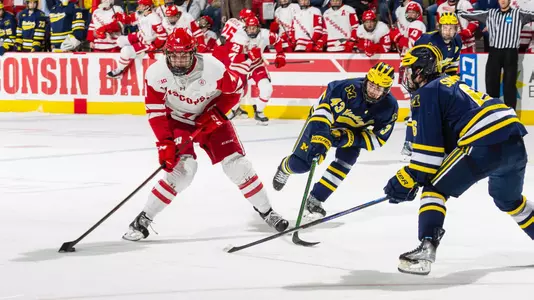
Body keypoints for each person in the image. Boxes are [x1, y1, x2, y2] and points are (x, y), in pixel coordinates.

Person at [123, 29, 289, 241]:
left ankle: (267, 211)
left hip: (210, 116)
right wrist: (164, 144)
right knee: (183, 171)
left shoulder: (213, 68)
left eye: (184, 55)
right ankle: (143, 218)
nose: (179, 61)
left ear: (194, 53)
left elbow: (237, 89)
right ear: (167, 54)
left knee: (237, 165)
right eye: (174, 55)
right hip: (178, 120)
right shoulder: (155, 74)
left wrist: (218, 114)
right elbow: (155, 112)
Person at [384, 45, 532, 276]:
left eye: (410, 70)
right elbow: (449, 148)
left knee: (434, 189)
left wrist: (410, 178)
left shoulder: (427, 92)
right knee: (508, 199)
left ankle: (426, 249)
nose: (406, 77)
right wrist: (417, 176)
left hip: (484, 143)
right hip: (514, 142)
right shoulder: (451, 84)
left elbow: (428, 156)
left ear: (421, 71)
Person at [273, 63, 398, 220]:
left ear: (386, 91)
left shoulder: (389, 107)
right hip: (323, 124)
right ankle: (285, 167)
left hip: (351, 133)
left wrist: (347, 138)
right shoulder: (345, 88)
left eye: (379, 89)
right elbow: (322, 111)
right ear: (366, 80)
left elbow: (378, 139)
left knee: (346, 161)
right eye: (372, 85)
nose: (373, 91)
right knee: (302, 165)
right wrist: (321, 137)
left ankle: (315, 199)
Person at [401, 12, 463, 157]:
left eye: (451, 28)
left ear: (456, 29)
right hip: (419, 76)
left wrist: (452, 80)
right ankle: (409, 144)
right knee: (417, 110)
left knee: (442, 112)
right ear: (439, 27)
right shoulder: (428, 39)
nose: (447, 31)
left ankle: (442, 145)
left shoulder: (457, 42)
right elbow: (411, 60)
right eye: (445, 28)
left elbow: (452, 65)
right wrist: (415, 80)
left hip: (438, 77)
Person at [458, 0, 534, 110]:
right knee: (491, 84)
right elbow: (472, 15)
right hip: (494, 53)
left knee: (509, 85)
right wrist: (457, 11)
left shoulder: (519, 14)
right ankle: (493, 112)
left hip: (510, 53)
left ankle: (510, 114)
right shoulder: (490, 13)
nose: (502, 1)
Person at [214, 16, 287, 125]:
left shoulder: (265, 34)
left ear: (259, 27)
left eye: (254, 28)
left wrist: (280, 55)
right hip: (241, 66)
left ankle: (259, 112)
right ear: (245, 28)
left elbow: (278, 40)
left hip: (256, 66)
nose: (252, 31)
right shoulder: (238, 37)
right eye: (249, 28)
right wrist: (248, 55)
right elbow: (232, 58)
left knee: (267, 89)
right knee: (235, 93)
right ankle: (235, 109)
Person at [107, 0, 168, 78]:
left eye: (141, 5)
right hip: (140, 36)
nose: (138, 6)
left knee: (126, 50)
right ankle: (136, 53)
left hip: (148, 42)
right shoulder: (140, 13)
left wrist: (154, 46)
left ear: (147, 6)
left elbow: (162, 36)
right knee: (120, 40)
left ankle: (119, 70)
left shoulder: (154, 17)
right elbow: (129, 19)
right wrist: (120, 17)